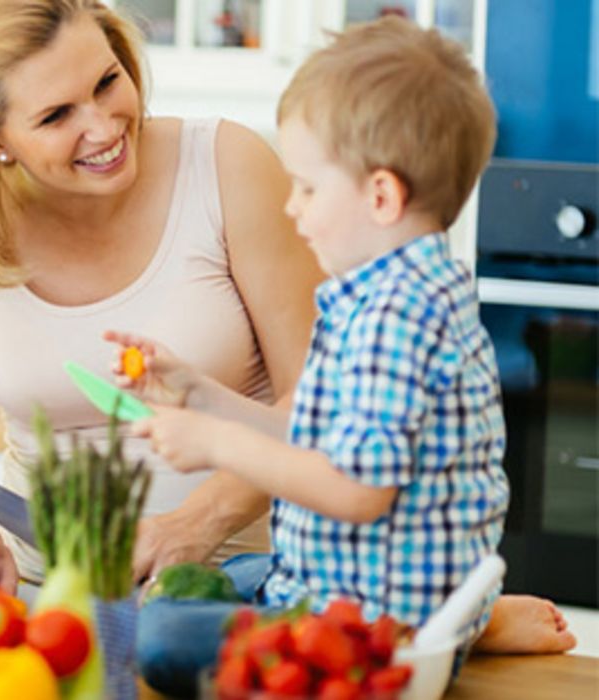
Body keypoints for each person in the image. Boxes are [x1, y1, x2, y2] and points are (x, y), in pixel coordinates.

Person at [115, 17, 576, 694]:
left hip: (371, 634)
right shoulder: (392, 294)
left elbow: (357, 492)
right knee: (210, 584)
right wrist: (199, 395)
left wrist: (214, 442)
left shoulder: (395, 318)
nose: (290, 207)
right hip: (341, 585)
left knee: (157, 635)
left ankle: (450, 638)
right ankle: (468, 624)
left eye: (305, 186)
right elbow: (321, 436)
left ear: (380, 195)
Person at [0, 0, 321, 602]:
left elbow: (317, 400)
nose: (103, 127)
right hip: (50, 600)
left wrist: (196, 524)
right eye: (56, 116)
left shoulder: (228, 166)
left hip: (246, 589)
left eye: (106, 82)